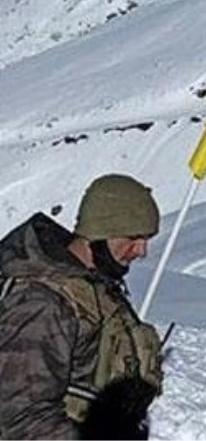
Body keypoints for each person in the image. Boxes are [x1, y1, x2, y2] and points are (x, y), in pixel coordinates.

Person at [0, 175, 164, 439]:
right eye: (133, 237)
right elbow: (21, 419)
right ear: (98, 232)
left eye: (146, 239)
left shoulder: (94, 287)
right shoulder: (41, 302)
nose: (141, 251)